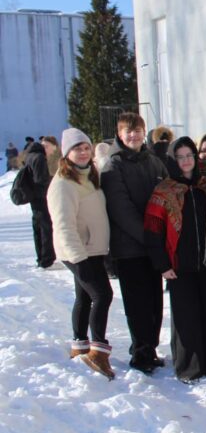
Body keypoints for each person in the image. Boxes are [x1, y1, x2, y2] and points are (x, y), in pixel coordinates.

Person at [145, 137, 206, 383]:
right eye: (180, 157)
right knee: (186, 317)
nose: (186, 161)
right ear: (173, 160)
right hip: (179, 264)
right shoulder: (164, 191)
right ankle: (188, 367)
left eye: (189, 156)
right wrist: (162, 264)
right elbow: (153, 230)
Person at [102, 112, 169, 373]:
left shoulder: (153, 162)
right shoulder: (113, 166)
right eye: (128, 131)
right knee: (137, 303)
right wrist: (150, 238)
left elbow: (168, 194)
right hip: (130, 248)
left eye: (138, 130)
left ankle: (150, 347)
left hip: (154, 245)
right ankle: (141, 352)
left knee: (155, 302)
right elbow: (121, 210)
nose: (134, 135)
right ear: (120, 134)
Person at [47, 128, 114, 379]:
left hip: (91, 249)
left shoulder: (87, 176)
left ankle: (80, 345)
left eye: (86, 147)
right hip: (79, 251)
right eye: (77, 149)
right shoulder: (63, 184)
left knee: (84, 297)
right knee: (102, 295)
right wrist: (78, 259)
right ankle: (98, 352)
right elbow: (63, 225)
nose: (84, 152)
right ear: (67, 154)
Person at [23, 138, 56, 268]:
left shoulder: (30, 155)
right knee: (46, 227)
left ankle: (41, 257)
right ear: (47, 146)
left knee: (38, 228)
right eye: (52, 150)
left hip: (34, 197)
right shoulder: (40, 157)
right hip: (41, 197)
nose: (52, 153)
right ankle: (47, 259)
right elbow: (40, 180)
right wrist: (53, 180)